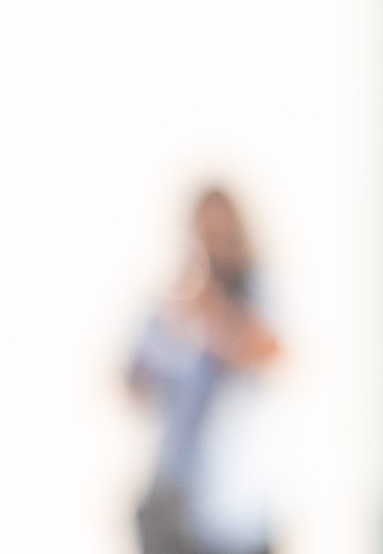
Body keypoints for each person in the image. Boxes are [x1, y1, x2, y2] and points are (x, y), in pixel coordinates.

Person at [128, 187, 281, 554]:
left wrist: (211, 310)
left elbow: (269, 352)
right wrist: (173, 321)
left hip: (237, 512)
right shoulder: (174, 303)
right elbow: (134, 381)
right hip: (174, 501)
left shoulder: (256, 294)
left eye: (217, 234)